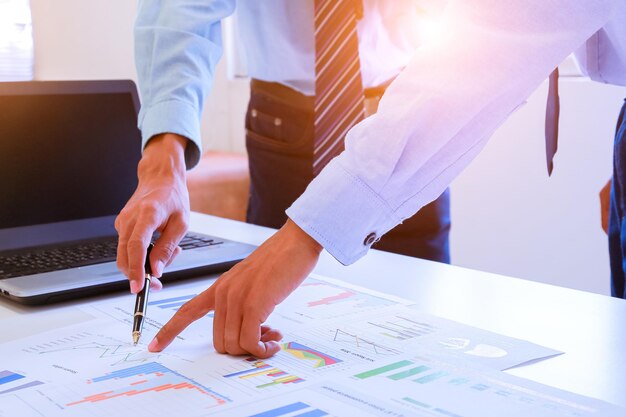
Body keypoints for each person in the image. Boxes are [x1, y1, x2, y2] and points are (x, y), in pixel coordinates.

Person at [115, 0, 625, 359]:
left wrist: (305, 234)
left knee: (415, 331)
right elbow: (178, 8)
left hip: (415, 109)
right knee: (268, 329)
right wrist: (165, 154)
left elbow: (498, 35)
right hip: (285, 119)